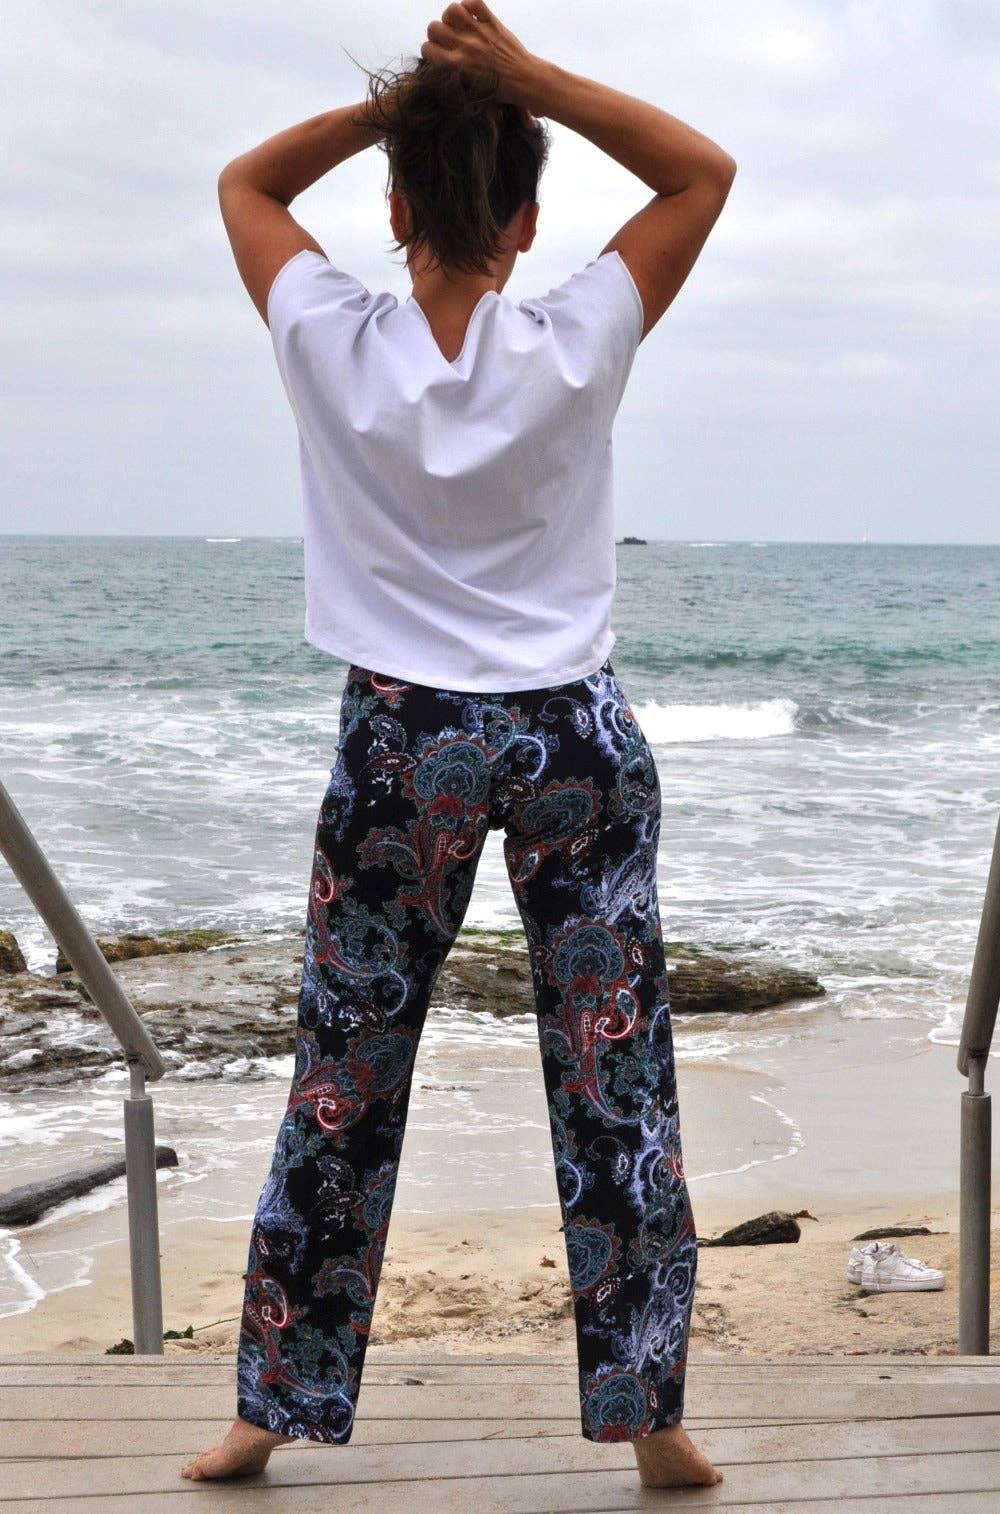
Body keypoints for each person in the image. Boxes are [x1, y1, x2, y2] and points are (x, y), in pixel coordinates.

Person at [183, 0, 735, 1490]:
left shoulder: (330, 335)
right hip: (572, 734)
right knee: (614, 1081)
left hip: (400, 737)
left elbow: (245, 183)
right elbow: (701, 172)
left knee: (346, 1075)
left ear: (395, 208)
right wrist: (521, 79)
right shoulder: (576, 335)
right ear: (530, 219)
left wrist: (406, 106)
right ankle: (652, 1417)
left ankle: (269, 1409)